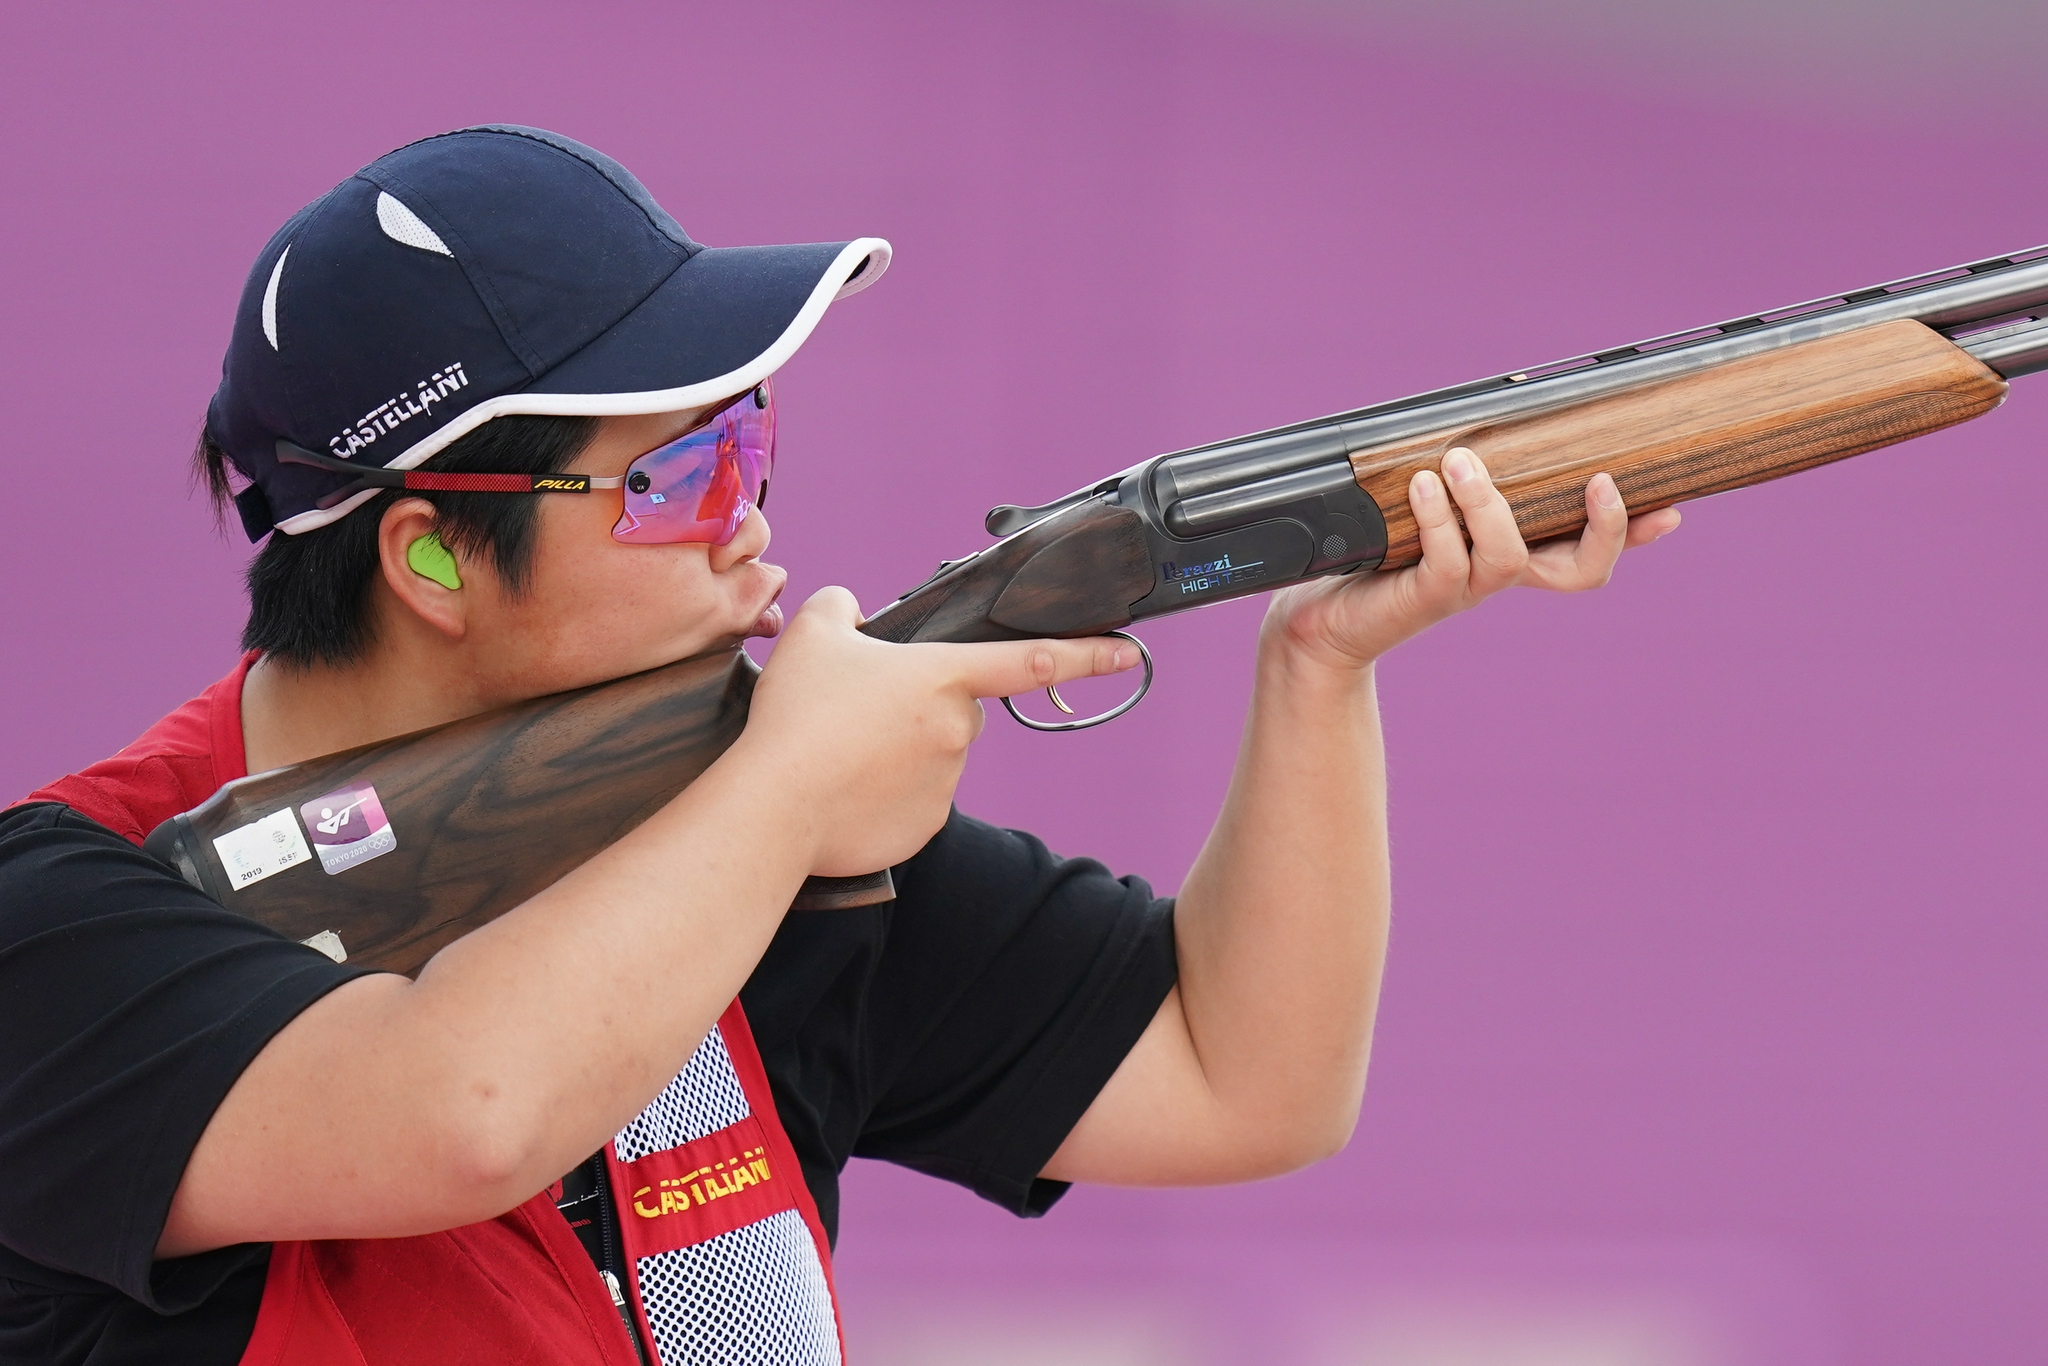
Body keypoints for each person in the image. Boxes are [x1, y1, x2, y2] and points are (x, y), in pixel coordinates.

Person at [0, 126, 1678, 1366]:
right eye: (682, 474)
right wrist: (794, 782)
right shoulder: (61, 917)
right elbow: (461, 1107)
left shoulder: (729, 815)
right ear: (432, 556)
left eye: (756, 439)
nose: (755, 524)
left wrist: (1317, 665)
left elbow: (1253, 1081)